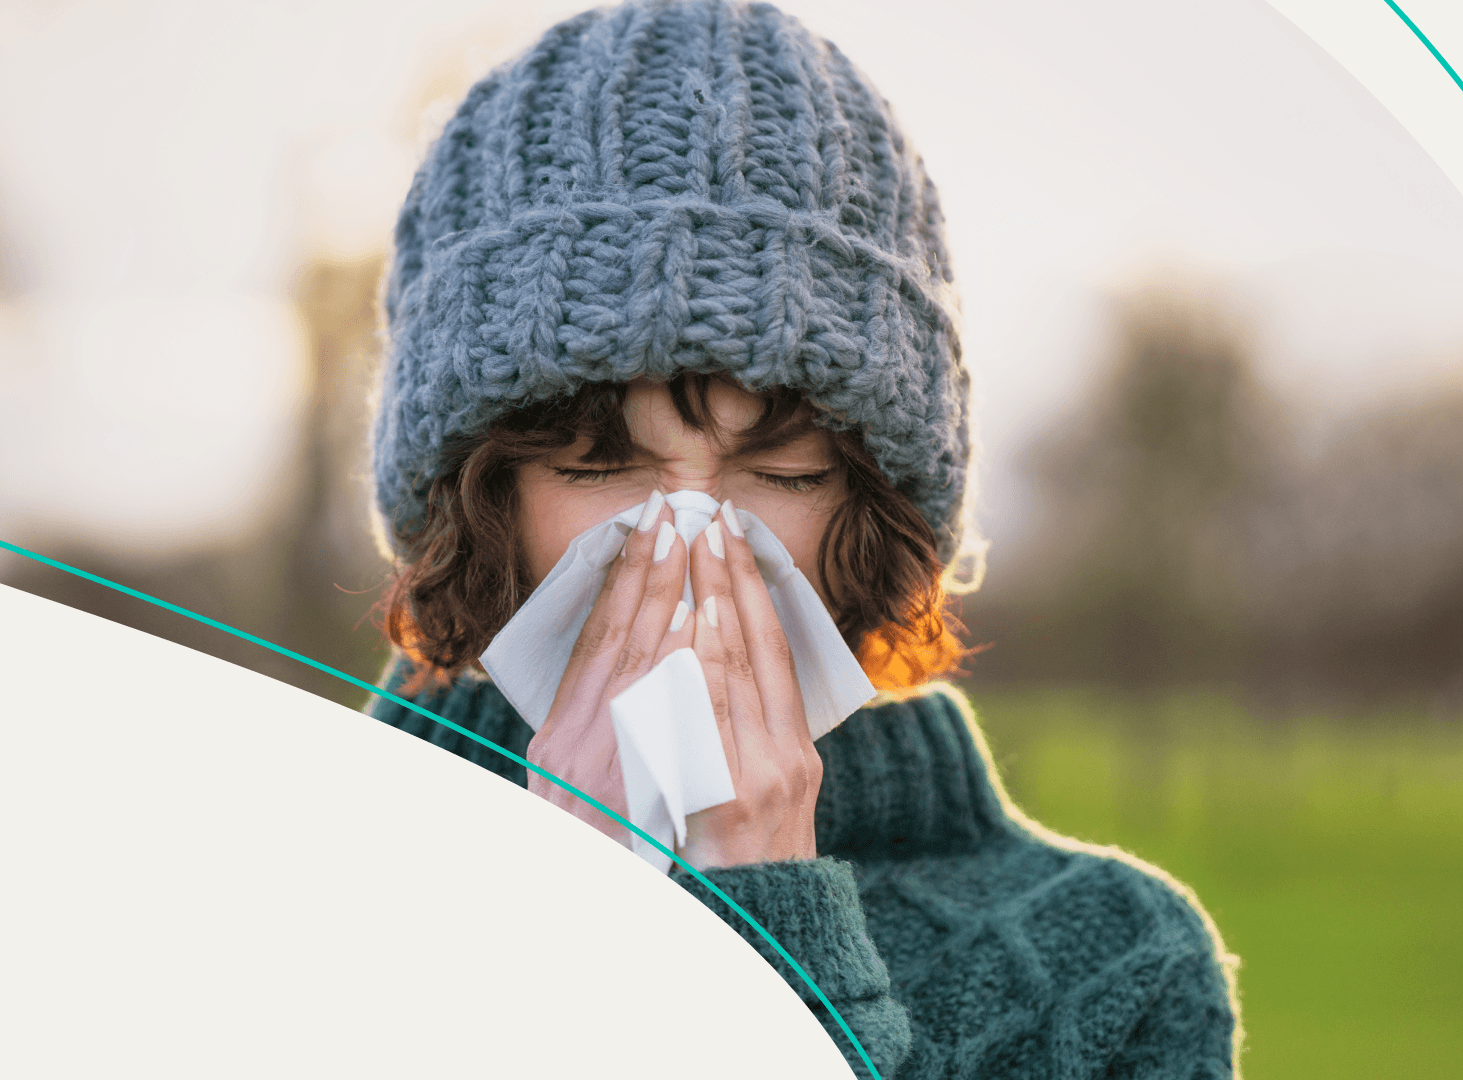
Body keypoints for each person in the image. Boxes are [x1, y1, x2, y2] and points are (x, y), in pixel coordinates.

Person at [363, 1, 1240, 1075]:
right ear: (479, 498)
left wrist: (765, 925)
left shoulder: (1115, 964)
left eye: (781, 473)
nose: (686, 544)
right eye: (598, 468)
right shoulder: (290, 898)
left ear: (872, 503)